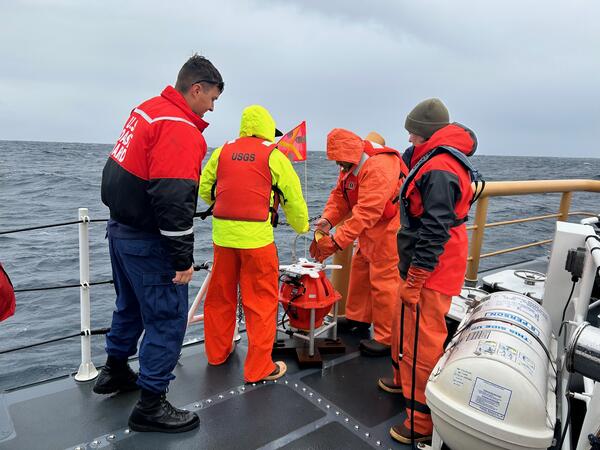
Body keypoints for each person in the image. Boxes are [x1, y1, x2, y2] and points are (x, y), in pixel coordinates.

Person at [94, 54, 224, 434]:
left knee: (129, 305)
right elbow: (174, 197)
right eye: (212, 98)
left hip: (118, 231)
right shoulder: (180, 127)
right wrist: (182, 260)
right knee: (167, 318)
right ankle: (151, 404)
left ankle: (114, 370)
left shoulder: (146, 110)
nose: (212, 107)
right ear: (196, 89)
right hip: (147, 241)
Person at [390, 98, 478, 444]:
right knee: (412, 334)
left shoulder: (440, 168)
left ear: (426, 134)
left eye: (413, 134)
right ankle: (406, 387)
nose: (409, 139)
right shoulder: (435, 159)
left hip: (430, 271)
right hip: (427, 265)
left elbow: (435, 229)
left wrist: (415, 279)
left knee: (422, 343)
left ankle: (421, 421)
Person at [199, 105, 309, 383]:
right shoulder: (274, 155)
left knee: (220, 297)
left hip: (222, 239)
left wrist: (224, 208)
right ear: (267, 130)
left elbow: (204, 188)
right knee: (260, 301)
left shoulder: (222, 151)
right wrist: (303, 227)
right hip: (258, 242)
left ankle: (216, 354)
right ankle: (259, 368)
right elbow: (292, 198)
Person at [311, 129, 406, 356]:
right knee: (361, 270)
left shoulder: (378, 167)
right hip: (369, 229)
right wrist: (327, 220)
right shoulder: (350, 165)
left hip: (390, 228)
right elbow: (340, 196)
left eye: (340, 161)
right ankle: (358, 319)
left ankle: (386, 338)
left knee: (384, 281)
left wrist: (335, 241)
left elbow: (368, 211)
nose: (338, 166)